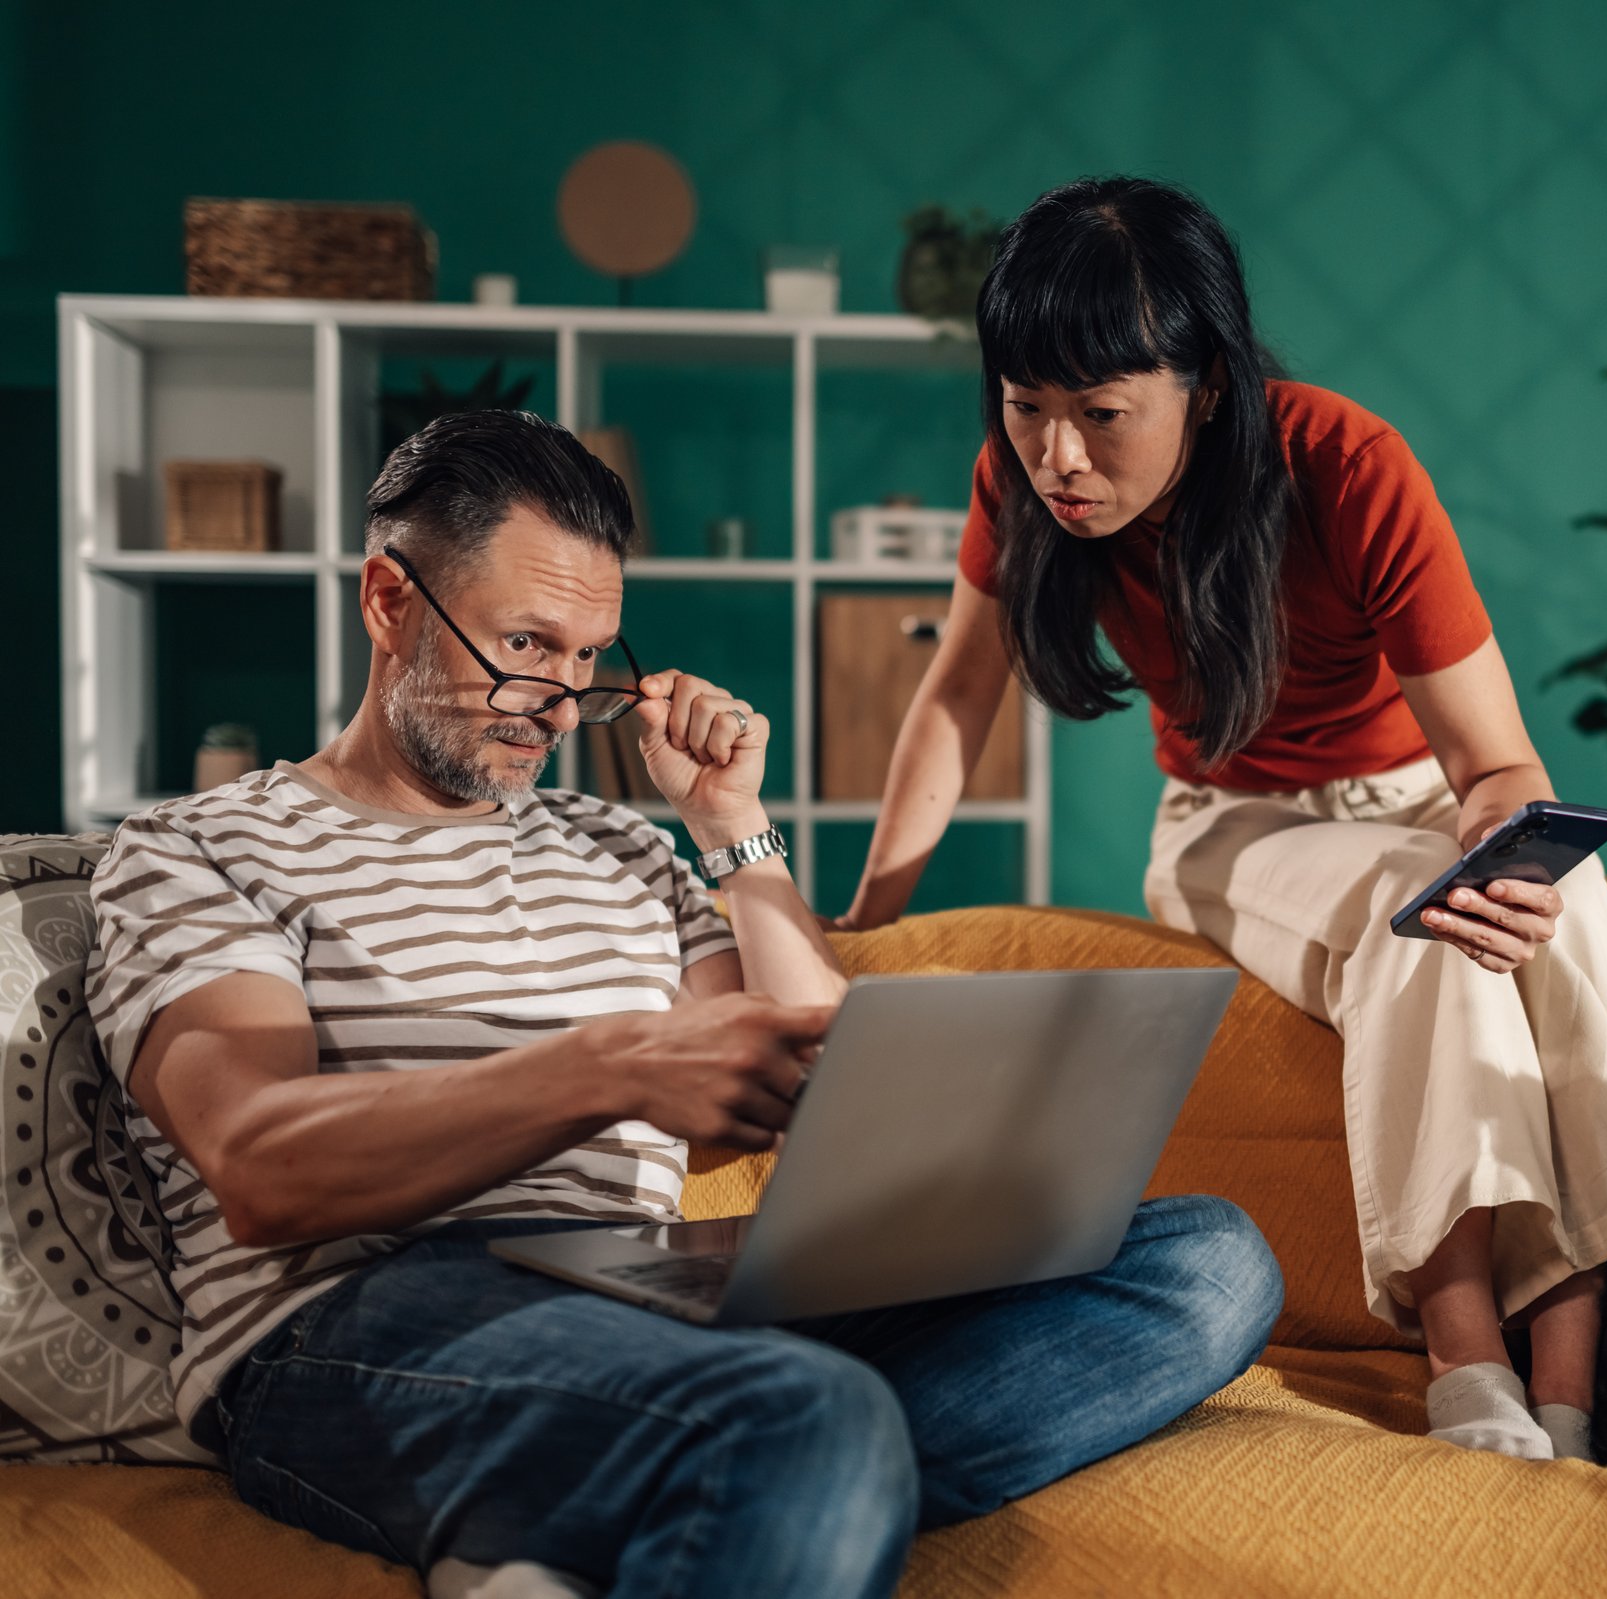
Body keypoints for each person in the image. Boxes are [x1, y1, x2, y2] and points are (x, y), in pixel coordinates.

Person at [84, 409, 1281, 1599]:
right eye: (524, 645)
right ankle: (755, 1461)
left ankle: (635, 1508)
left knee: (1211, 1261)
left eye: (587, 656)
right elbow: (260, 1168)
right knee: (800, 1414)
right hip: (352, 1321)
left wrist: (731, 831)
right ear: (389, 601)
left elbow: (825, 1092)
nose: (557, 703)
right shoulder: (203, 847)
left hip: (642, 1292)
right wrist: (612, 1065)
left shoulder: (623, 846)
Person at [840, 176, 1607, 1464]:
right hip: (1237, 823)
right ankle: (1469, 1368)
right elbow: (958, 696)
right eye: (1027, 409)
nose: (1057, 458)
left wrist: (1512, 852)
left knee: (1556, 910)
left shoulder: (1348, 466)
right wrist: (867, 922)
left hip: (1426, 802)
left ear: (1212, 385)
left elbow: (1496, 765)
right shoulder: (1016, 486)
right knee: (1423, 933)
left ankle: (1568, 1395)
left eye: (1102, 414)